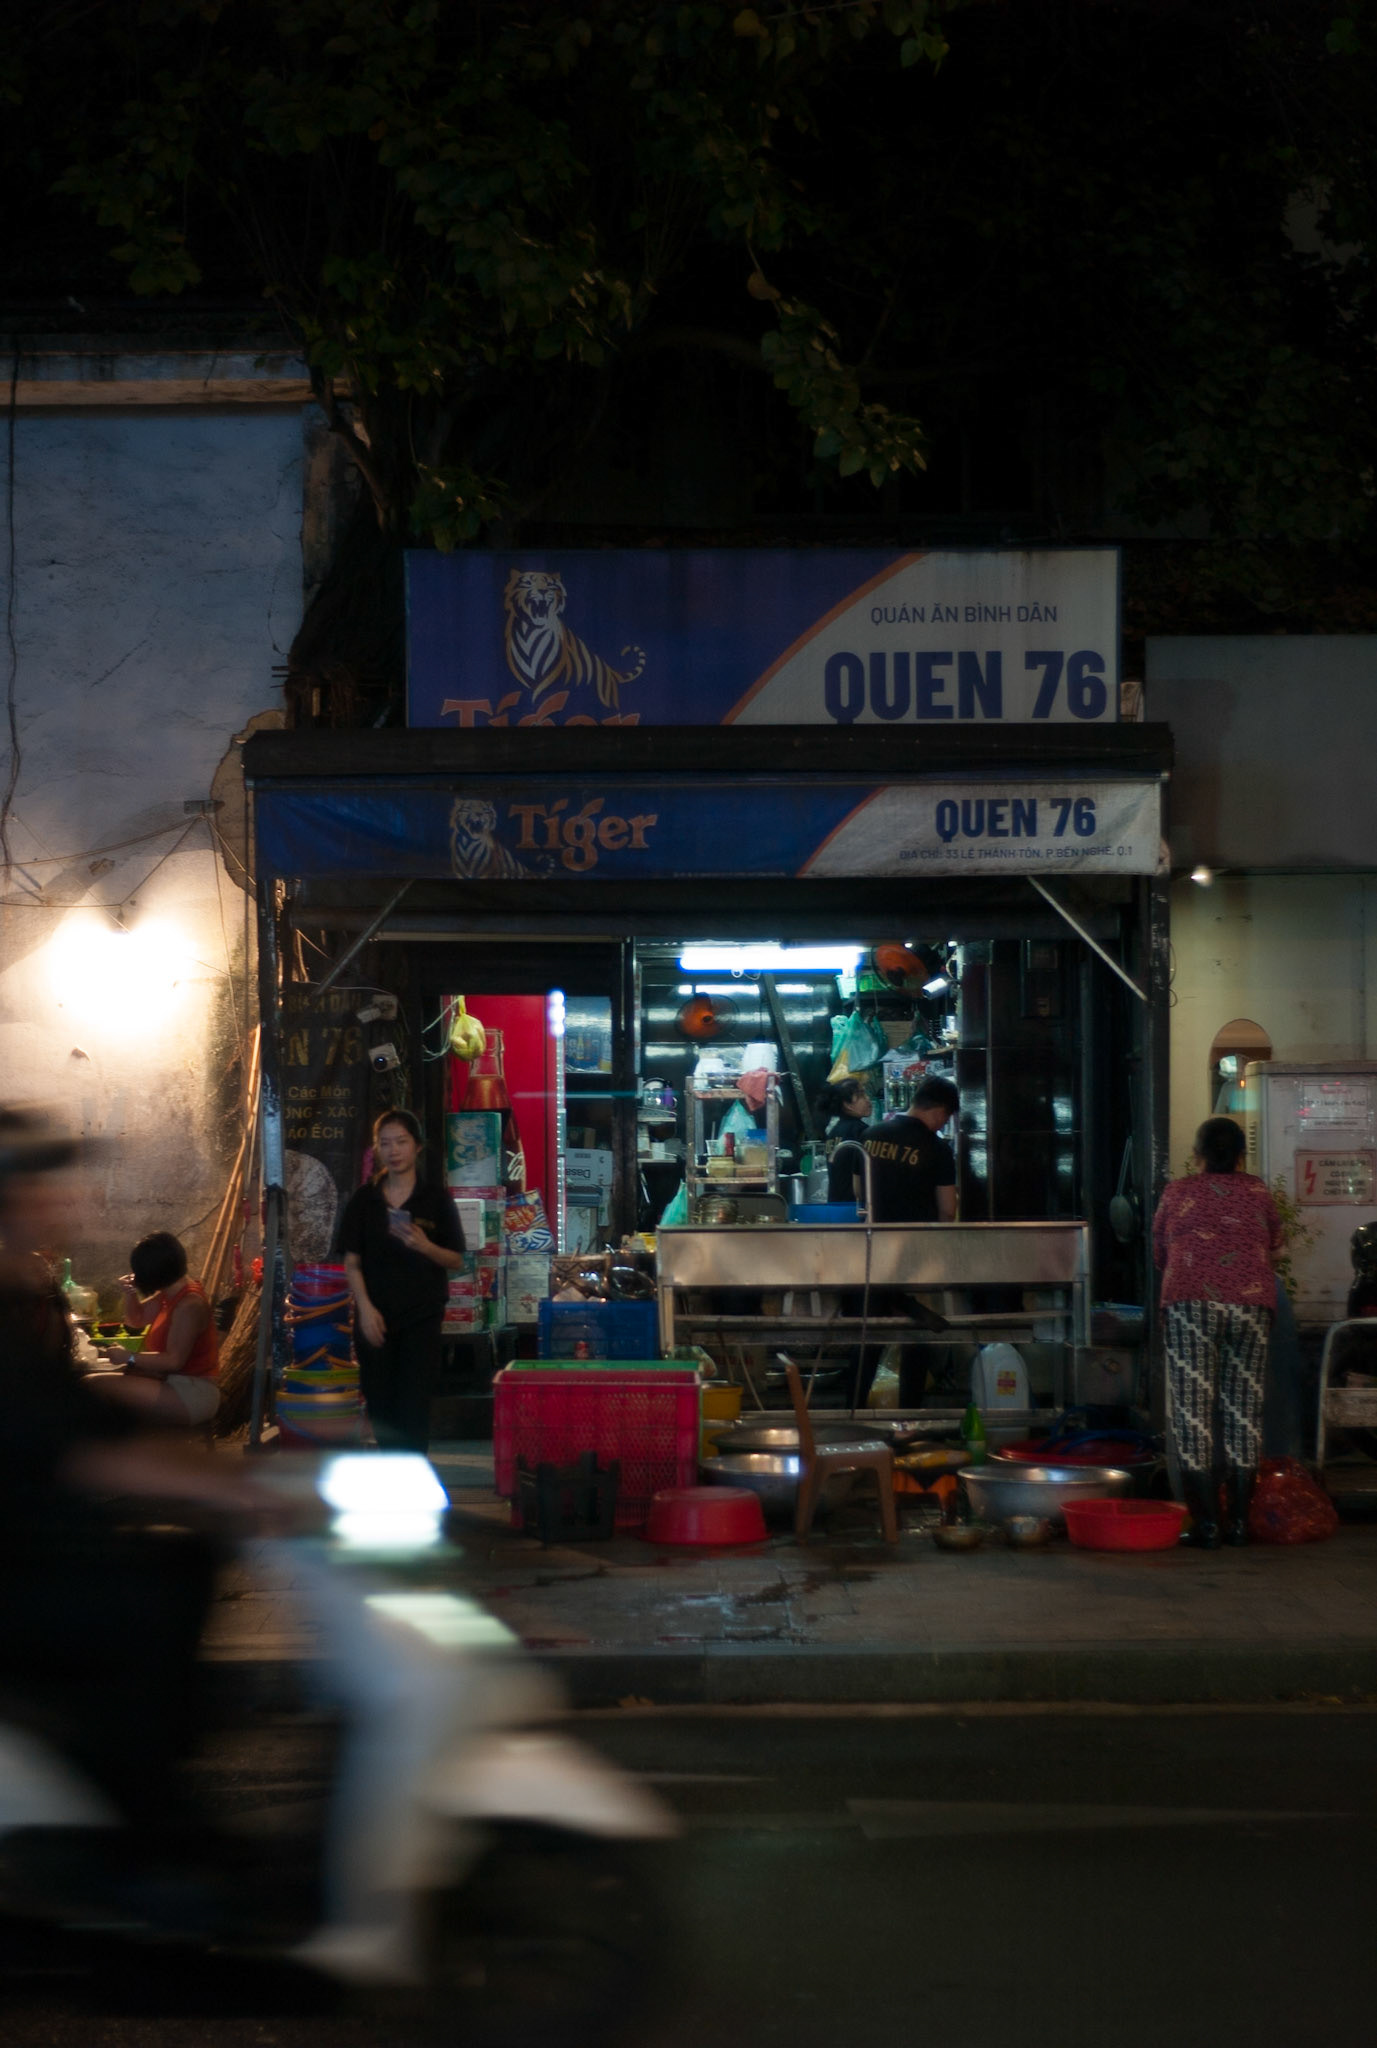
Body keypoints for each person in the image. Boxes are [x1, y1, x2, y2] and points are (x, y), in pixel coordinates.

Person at [0, 1107, 275, 1887]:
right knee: (162, 1584)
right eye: (44, 1188)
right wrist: (237, 1490)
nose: (64, 1204)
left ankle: (146, 1805)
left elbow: (86, 1417)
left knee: (179, 1558)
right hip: (24, 1563)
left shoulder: (31, 1291)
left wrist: (220, 1485)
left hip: (46, 1533)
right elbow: (76, 1444)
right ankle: (150, 1836)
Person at [1153, 1115, 1283, 1548]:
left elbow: (1159, 1251)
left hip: (1191, 1304)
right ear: (1241, 1155)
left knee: (1193, 1411)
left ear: (1198, 1155)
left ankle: (1208, 1526)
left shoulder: (1178, 1192)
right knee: (1244, 1411)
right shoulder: (1258, 1191)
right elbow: (1276, 1245)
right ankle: (1240, 1525)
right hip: (1252, 1305)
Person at [337, 1108, 466, 1454]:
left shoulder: (436, 1199)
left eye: (401, 1142)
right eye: (385, 1144)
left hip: (421, 1318)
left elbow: (456, 1259)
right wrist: (364, 1310)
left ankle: (413, 1476)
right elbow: (352, 1262)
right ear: (377, 1149)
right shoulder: (365, 1201)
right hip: (375, 1318)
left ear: (417, 1147)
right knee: (381, 1403)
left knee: (413, 1403)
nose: (393, 1151)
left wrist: (425, 1246)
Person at [840, 1076, 960, 1409]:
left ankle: (853, 1412)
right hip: (915, 1253)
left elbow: (857, 1193)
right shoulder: (937, 1149)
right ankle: (909, 1417)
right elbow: (948, 1210)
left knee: (868, 1337)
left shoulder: (870, 1135)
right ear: (939, 1112)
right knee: (916, 1338)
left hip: (871, 1251)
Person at [97, 1230, 221, 1426]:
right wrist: (130, 1293)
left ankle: (121, 1451)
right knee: (91, 1385)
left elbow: (174, 1361)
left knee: (95, 1389)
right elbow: (135, 1320)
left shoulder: (189, 1304)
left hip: (192, 1392)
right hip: (170, 1382)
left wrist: (128, 1357)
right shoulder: (168, 1293)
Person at [817, 1077, 874, 1202]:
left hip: (836, 1205)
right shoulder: (860, 1130)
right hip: (854, 1206)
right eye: (861, 1095)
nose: (868, 1099)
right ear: (848, 1105)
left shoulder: (833, 1132)